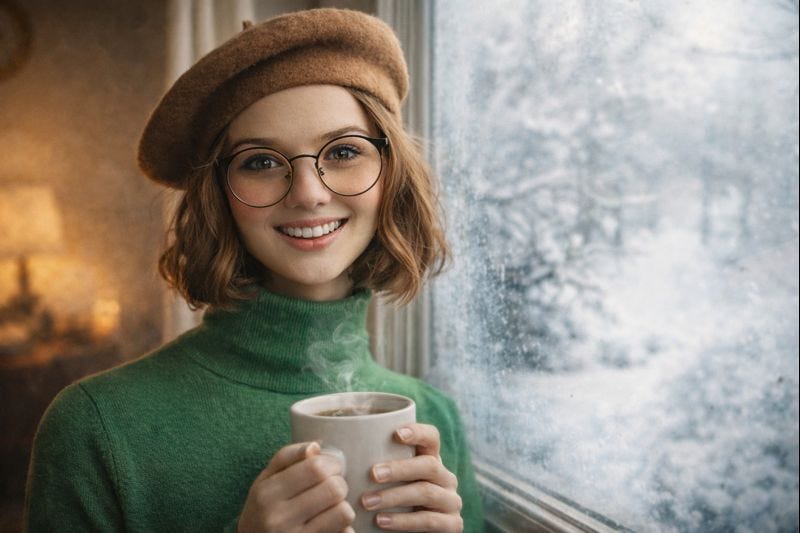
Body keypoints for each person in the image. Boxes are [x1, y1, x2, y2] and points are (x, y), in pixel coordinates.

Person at [24, 8, 484, 533]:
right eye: (261, 162)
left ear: (391, 174)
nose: (308, 193)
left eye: (344, 151)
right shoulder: (94, 426)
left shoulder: (434, 420)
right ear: (218, 195)